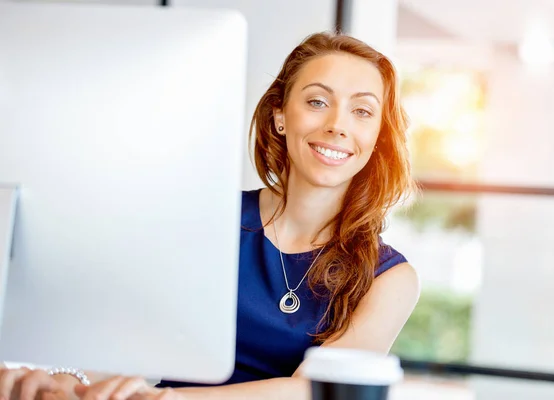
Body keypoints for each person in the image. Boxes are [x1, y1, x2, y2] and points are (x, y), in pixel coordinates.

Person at [0, 31, 420, 400]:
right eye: (316, 101)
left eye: (361, 111)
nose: (337, 125)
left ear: (377, 134)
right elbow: (128, 336)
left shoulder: (389, 278)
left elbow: (314, 391)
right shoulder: (205, 219)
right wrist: (57, 379)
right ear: (279, 117)